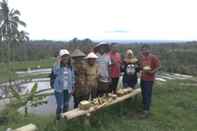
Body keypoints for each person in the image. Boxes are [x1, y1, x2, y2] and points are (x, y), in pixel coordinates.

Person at [52, 49, 75, 120]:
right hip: (59, 90)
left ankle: (65, 118)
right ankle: (58, 119)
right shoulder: (56, 65)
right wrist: (58, 61)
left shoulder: (70, 67)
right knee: (60, 106)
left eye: (67, 56)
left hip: (68, 89)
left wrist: (73, 86)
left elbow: (73, 77)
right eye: (63, 56)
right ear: (61, 58)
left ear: (69, 58)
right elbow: (55, 72)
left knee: (66, 105)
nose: (65, 58)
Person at [139, 44, 161, 117]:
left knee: (147, 94)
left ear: (149, 49)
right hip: (143, 78)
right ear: (142, 51)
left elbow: (158, 66)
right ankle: (144, 107)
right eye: (143, 49)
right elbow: (141, 67)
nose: (145, 51)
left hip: (149, 79)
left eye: (146, 49)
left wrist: (152, 72)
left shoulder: (153, 57)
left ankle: (146, 111)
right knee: (143, 93)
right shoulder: (142, 58)